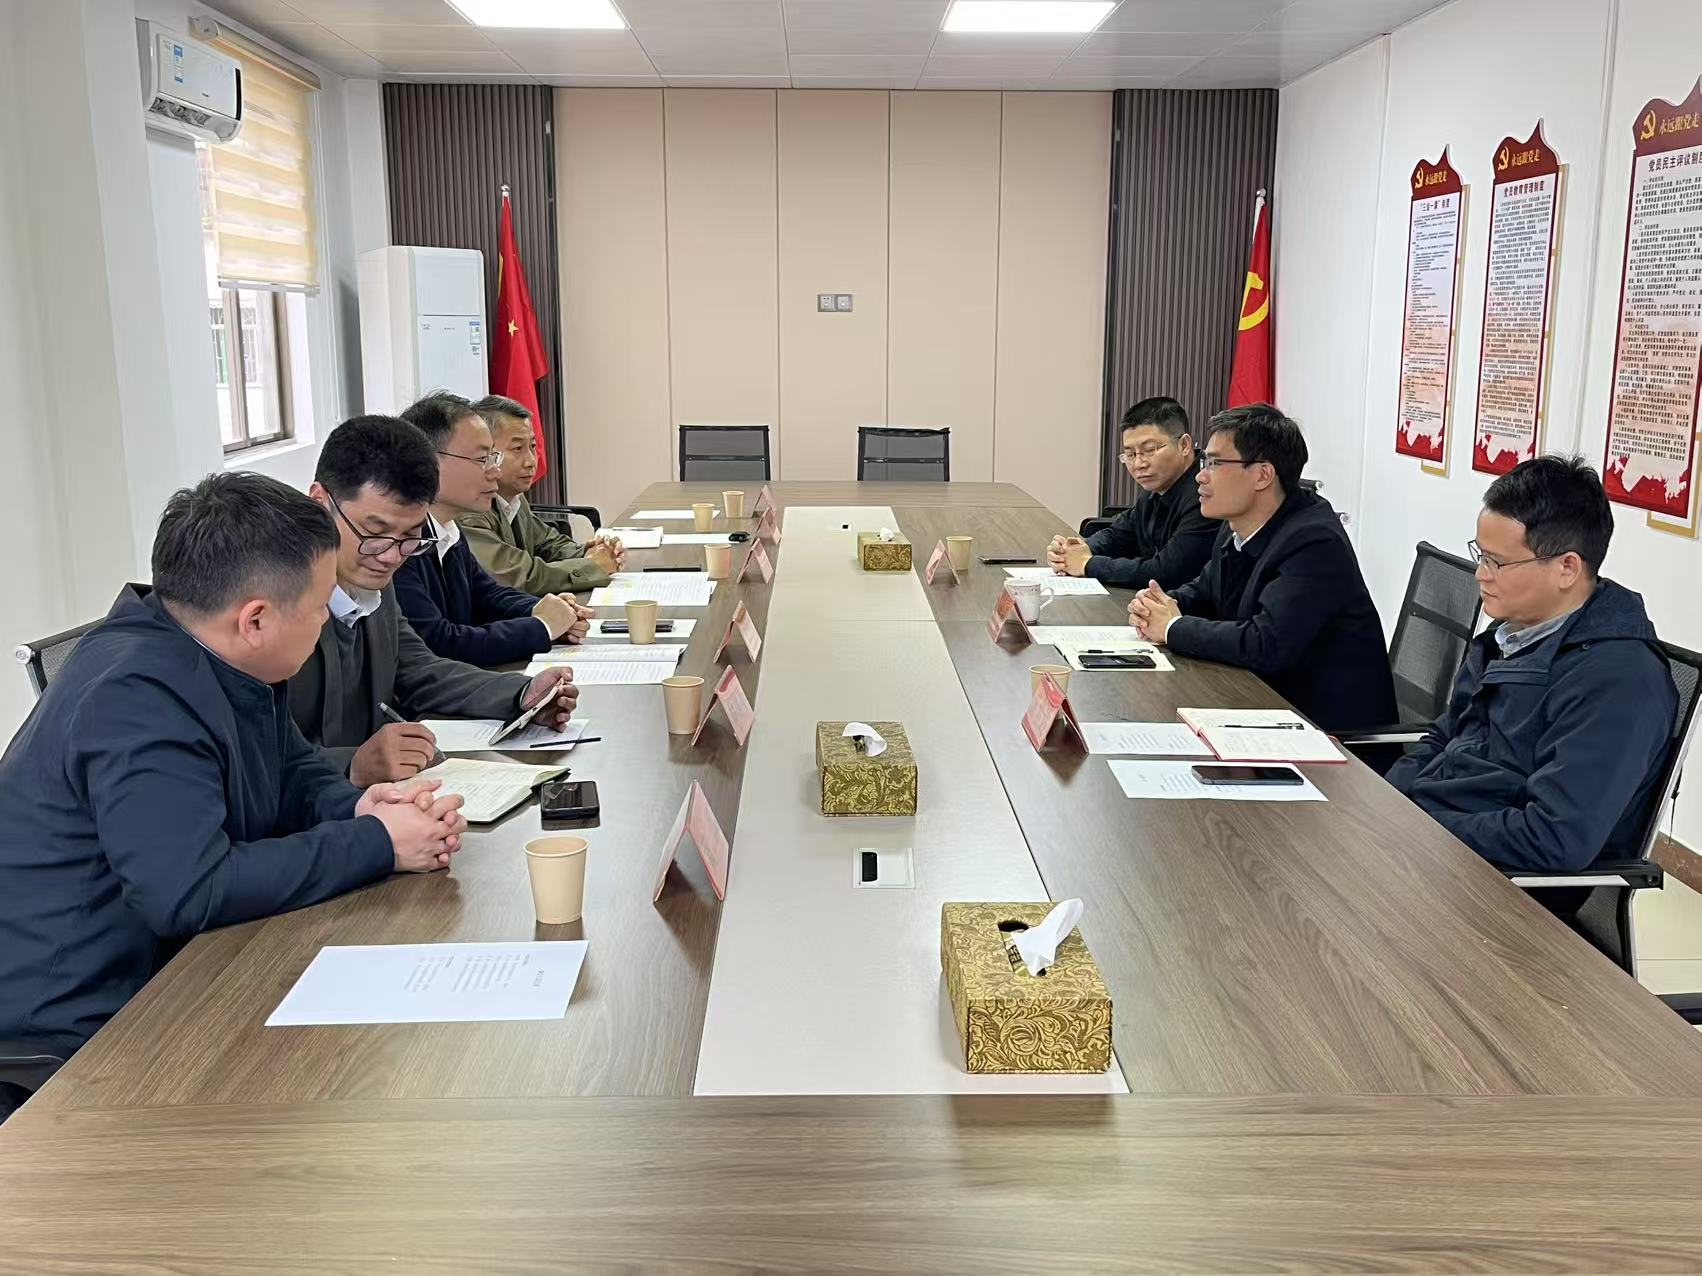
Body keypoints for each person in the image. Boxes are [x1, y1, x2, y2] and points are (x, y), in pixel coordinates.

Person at [0, 473, 468, 1092]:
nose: (327, 618)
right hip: (76, 1028)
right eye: (320, 605)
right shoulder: (136, 696)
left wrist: (362, 807)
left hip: (178, 972)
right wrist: (378, 843)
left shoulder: (219, 653)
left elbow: (291, 768)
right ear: (256, 620)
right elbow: (189, 889)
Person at [1387, 456, 1676, 874]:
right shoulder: (1509, 634)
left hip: (1499, 882)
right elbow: (1445, 735)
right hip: (1432, 840)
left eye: (1497, 562)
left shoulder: (1621, 681)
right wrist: (1387, 799)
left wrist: (1422, 825)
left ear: (1567, 568)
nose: (1481, 575)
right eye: (1480, 555)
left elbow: (1553, 838)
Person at [291, 414, 582, 784]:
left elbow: (419, 670)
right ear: (320, 501)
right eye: (375, 532)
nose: (391, 556)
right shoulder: (277, 600)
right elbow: (261, 753)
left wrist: (521, 694)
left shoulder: (373, 576)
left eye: (410, 536)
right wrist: (351, 764)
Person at [1127, 403, 1397, 734]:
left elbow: (1265, 643)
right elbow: (1207, 589)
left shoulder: (1314, 542)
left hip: (1324, 734)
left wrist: (1172, 627)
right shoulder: (1236, 524)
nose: (1200, 475)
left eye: (1215, 463)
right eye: (1204, 462)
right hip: (1260, 706)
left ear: (1262, 475)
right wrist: (1158, 606)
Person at [393, 393, 591, 667]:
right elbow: (440, 643)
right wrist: (543, 627)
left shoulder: (447, 528)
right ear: (429, 462)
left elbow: (486, 595)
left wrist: (541, 608)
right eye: (482, 459)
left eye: (493, 458)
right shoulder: (398, 545)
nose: (495, 472)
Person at [1046, 397, 1219, 589]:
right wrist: (1080, 549)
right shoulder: (1156, 486)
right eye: (1130, 454)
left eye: (1149, 450)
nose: (1139, 464)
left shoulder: (1207, 493)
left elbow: (1166, 573)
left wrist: (1087, 564)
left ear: (1184, 445)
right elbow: (1119, 534)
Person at [458, 394, 625, 594]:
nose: (531, 461)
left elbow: (547, 543)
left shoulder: (514, 497)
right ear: (486, 453)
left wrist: (589, 552)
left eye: (532, 446)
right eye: (517, 448)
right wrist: (592, 566)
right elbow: (518, 576)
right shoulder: (470, 509)